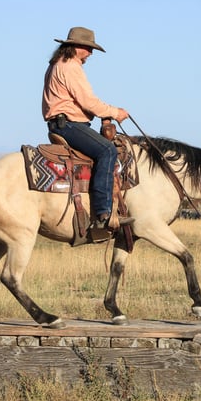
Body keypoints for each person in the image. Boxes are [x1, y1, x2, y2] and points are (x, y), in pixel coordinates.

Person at [42, 26, 131, 241]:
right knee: (108, 151)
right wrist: (114, 112)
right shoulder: (70, 66)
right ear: (76, 47)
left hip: (61, 123)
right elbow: (88, 102)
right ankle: (103, 213)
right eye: (88, 48)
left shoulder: (56, 64)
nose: (90, 53)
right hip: (69, 125)